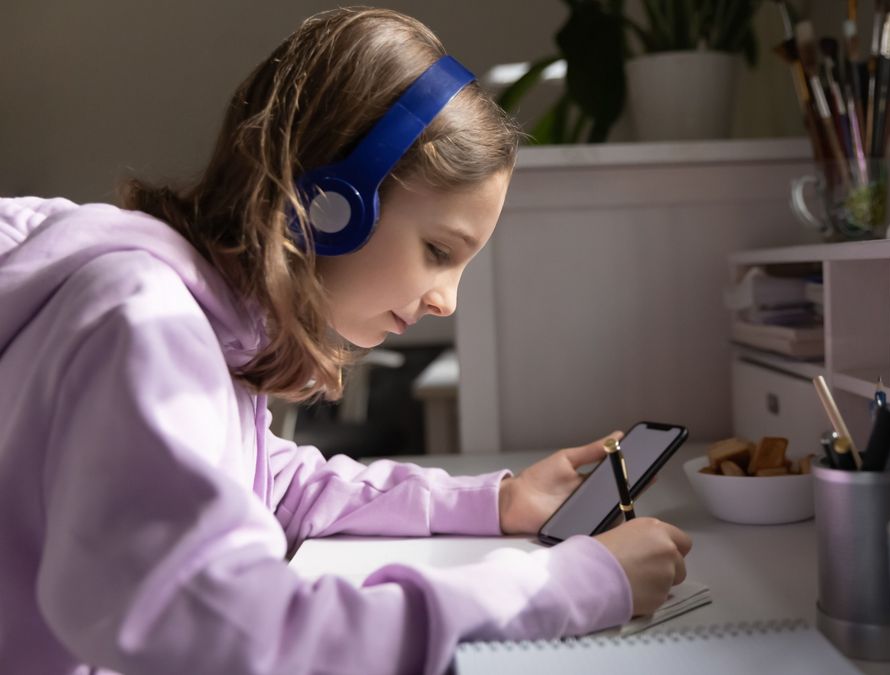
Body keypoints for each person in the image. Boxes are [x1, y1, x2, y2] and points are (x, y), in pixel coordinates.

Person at [0, 8, 691, 674]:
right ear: (331, 204)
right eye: (438, 249)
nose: (445, 298)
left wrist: (493, 502)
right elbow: (232, 626)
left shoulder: (205, 326)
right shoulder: (145, 324)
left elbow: (270, 483)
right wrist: (560, 589)